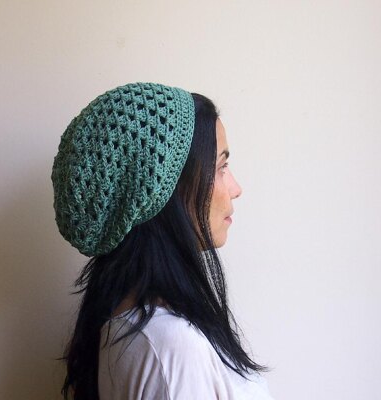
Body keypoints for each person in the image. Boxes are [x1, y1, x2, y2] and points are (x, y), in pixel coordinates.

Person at [51, 82, 275, 400]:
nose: (236, 188)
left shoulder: (137, 329)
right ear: (163, 193)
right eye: (221, 167)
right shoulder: (171, 348)